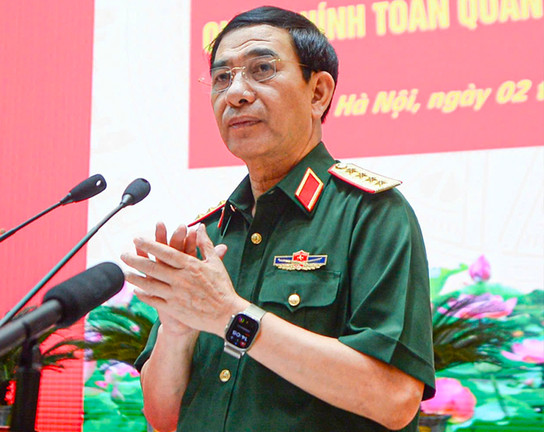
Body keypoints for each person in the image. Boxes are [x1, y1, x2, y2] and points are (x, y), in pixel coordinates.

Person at [121, 6, 435, 432]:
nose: (236, 93)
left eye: (262, 69)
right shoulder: (208, 236)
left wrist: (230, 315)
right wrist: (177, 328)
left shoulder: (371, 214)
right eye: (221, 77)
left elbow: (394, 399)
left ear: (318, 93)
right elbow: (163, 417)